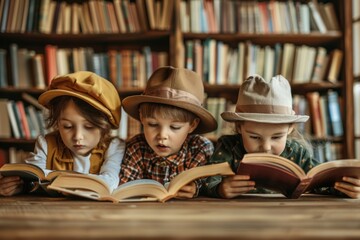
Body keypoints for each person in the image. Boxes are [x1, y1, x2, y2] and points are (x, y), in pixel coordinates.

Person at [203, 74, 360, 199]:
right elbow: (204, 179)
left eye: (277, 137)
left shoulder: (297, 154)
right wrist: (220, 188)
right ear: (239, 127)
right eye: (255, 137)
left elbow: (319, 182)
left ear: (290, 129)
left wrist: (344, 188)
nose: (265, 147)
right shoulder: (228, 147)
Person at [0, 71, 125, 196]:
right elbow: (33, 177)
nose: (78, 137)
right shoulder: (46, 144)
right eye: (67, 126)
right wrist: (18, 187)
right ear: (57, 123)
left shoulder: (114, 146)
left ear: (105, 127)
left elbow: (110, 182)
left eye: (89, 127)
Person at [120, 66, 217, 199]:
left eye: (175, 127)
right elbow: (125, 189)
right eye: (153, 124)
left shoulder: (200, 148)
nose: (162, 136)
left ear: (192, 125)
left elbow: (209, 184)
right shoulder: (136, 148)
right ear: (142, 118)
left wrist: (196, 188)